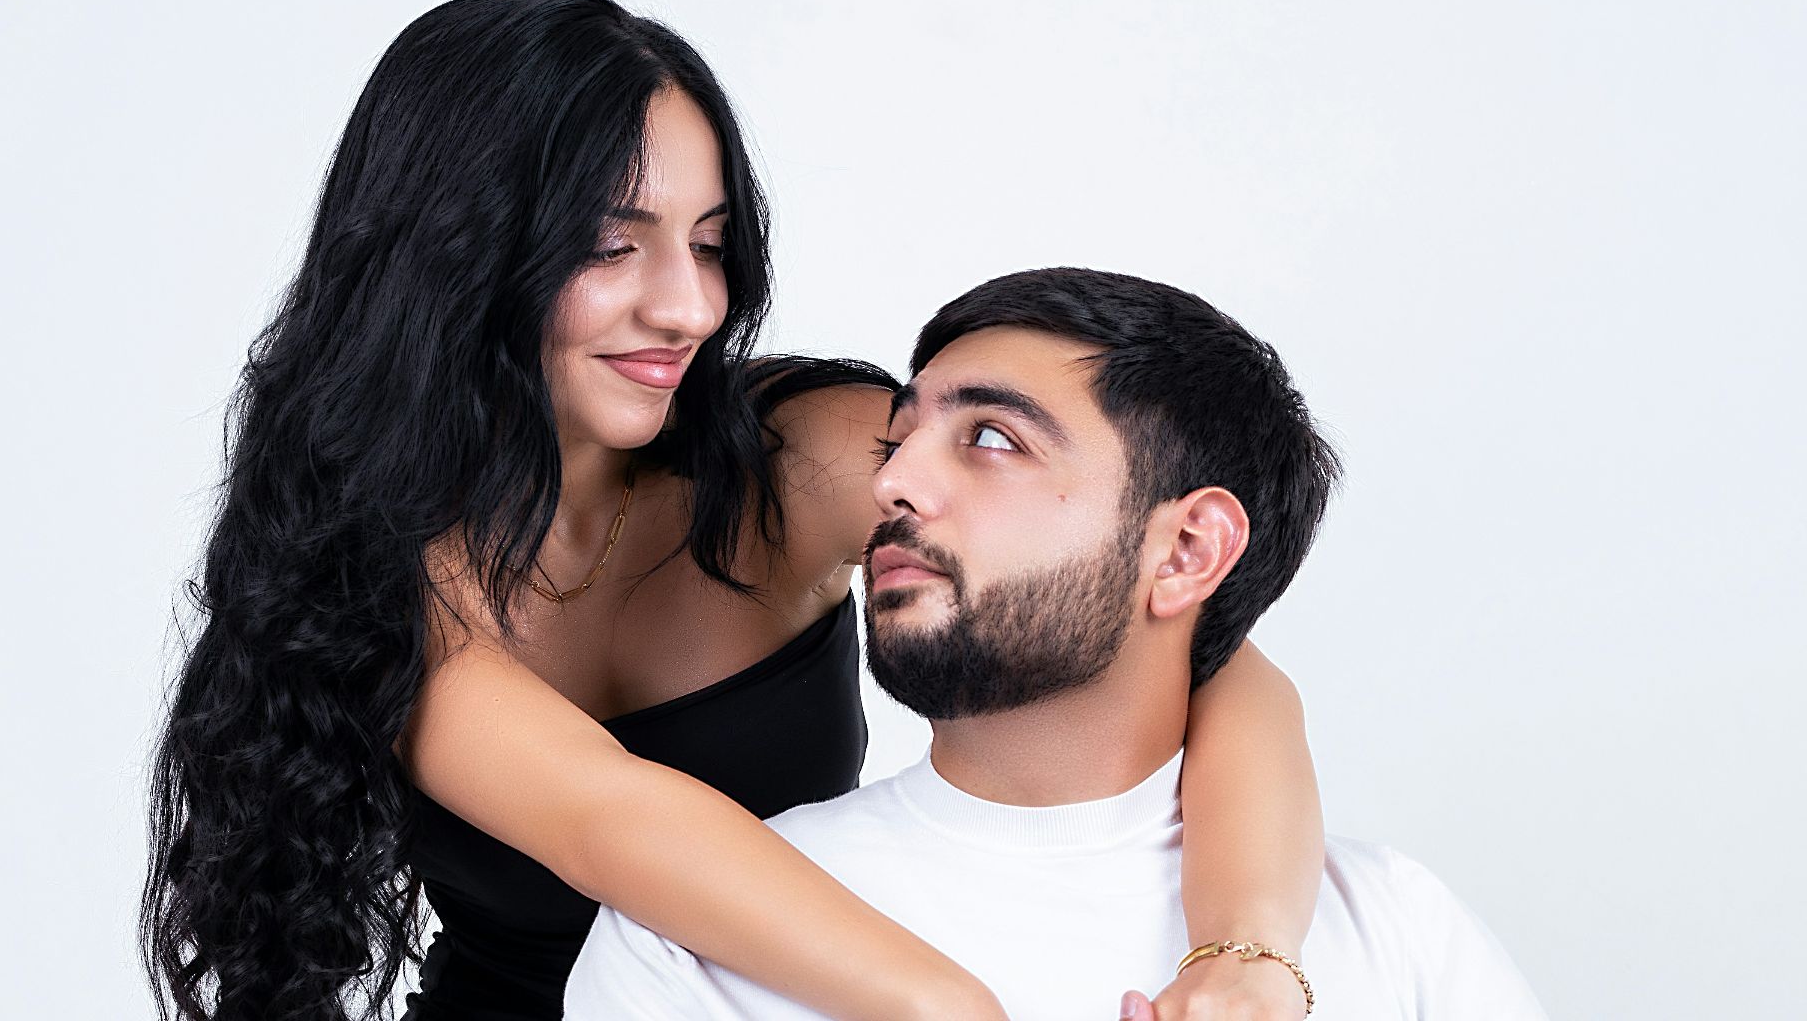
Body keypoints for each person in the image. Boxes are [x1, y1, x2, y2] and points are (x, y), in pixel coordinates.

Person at [141, 0, 1323, 1021]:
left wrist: (1249, 954)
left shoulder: (801, 456)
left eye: (709, 245)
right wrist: (951, 1006)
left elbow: (1193, 644)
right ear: (457, 254)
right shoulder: (382, 571)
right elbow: (614, 822)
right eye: (614, 246)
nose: (688, 307)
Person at [567, 268, 1550, 1021]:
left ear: (1187, 551)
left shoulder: (1393, 930)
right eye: (898, 440)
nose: (894, 484)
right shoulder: (687, 945)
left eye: (993, 439)